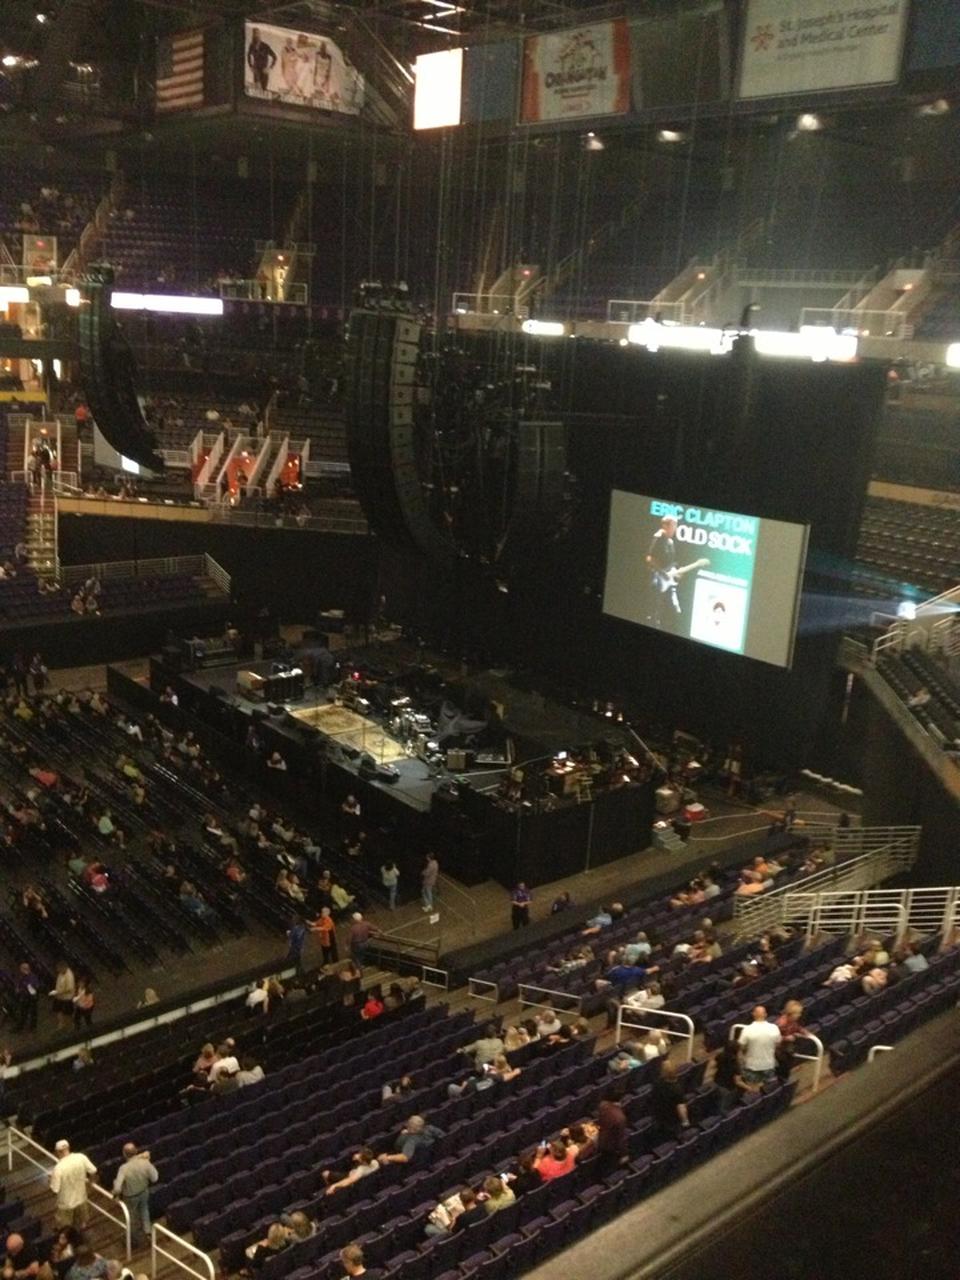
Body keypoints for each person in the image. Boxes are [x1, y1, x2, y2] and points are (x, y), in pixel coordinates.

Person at [112, 1143, 158, 1246]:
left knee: (132, 1218)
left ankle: (136, 1240)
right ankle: (148, 1232)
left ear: (124, 1154)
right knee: (144, 1210)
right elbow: (155, 1178)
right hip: (144, 1191)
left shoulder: (123, 1168)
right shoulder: (145, 1163)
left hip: (130, 1197)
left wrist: (115, 1193)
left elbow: (118, 1188)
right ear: (136, 1151)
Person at [50, 1141, 97, 1227]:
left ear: (58, 1152)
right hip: (81, 1198)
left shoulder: (58, 1168)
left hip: (66, 1203)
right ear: (68, 1147)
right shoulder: (81, 1157)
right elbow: (93, 1171)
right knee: (82, 1223)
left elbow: (55, 1189)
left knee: (64, 1226)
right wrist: (91, 1183)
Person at [737, 1005, 782, 1086]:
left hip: (751, 1065)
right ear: (765, 1015)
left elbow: (741, 1047)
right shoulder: (774, 1028)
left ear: (753, 1014)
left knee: (753, 1090)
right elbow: (778, 1044)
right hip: (769, 1064)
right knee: (770, 1089)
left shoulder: (747, 1030)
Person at [379, 1115, 444, 1167]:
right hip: (429, 1155)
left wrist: (388, 1157)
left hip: (415, 1162)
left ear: (411, 1128)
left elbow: (405, 1157)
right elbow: (443, 1136)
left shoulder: (412, 1140)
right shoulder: (430, 1128)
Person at [650, 1060, 690, 1140]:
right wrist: (685, 1121)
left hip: (659, 1117)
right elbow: (681, 1108)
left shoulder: (657, 1083)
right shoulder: (677, 1089)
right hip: (672, 1121)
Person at [14, 963, 39, 1032]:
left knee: (33, 1013)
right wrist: (18, 988)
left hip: (31, 998)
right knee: (23, 1012)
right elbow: (19, 984)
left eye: (21, 969)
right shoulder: (22, 977)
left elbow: (35, 987)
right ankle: (20, 1027)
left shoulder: (33, 977)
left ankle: (33, 1028)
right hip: (25, 997)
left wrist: (25, 988)